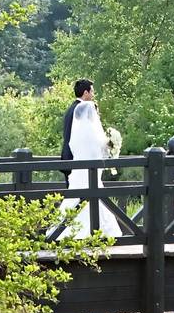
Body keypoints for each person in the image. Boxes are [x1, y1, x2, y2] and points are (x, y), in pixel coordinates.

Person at [47, 100, 122, 239]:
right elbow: (99, 149)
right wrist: (111, 144)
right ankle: (96, 231)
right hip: (91, 172)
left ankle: (62, 231)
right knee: (94, 195)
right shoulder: (92, 130)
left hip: (78, 172)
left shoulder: (77, 133)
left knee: (76, 198)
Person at [60, 79, 94, 177]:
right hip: (78, 158)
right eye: (92, 92)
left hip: (67, 156)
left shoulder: (70, 109)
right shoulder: (83, 109)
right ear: (85, 93)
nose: (93, 95)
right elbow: (88, 134)